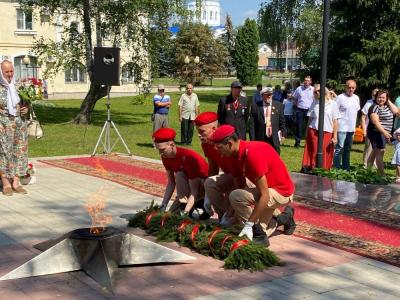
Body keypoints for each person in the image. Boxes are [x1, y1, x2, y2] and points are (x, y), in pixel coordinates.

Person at [210, 125, 296, 245]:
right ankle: (284, 218)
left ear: (229, 144)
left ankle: (260, 230)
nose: (219, 154)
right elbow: (239, 185)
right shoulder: (233, 155)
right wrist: (230, 214)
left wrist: (249, 224)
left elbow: (264, 195)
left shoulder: (252, 154)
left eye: (219, 148)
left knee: (237, 197)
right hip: (266, 191)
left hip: (282, 192)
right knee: (238, 198)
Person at [194, 112, 238, 224]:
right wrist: (208, 197)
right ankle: (224, 218)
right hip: (230, 176)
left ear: (214, 128)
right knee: (209, 183)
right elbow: (213, 169)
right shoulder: (206, 144)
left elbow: (240, 173)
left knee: (234, 197)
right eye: (198, 132)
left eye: (202, 131)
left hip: (244, 176)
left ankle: (280, 217)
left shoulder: (228, 142)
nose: (199, 135)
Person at [153, 127, 209, 215]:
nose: (160, 153)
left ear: (171, 145)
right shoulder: (166, 157)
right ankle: (184, 205)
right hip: (189, 187)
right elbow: (171, 183)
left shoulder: (188, 157)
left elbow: (194, 191)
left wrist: (185, 212)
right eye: (158, 150)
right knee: (171, 214)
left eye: (162, 150)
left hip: (203, 188)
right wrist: (163, 206)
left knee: (179, 175)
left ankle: (199, 204)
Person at [0, 60, 29, 196]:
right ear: (1, 72)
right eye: (6, 72)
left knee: (20, 152)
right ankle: (6, 184)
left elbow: (26, 103)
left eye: (11, 71)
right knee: (4, 153)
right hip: (3, 125)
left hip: (20, 125)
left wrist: (26, 108)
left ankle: (16, 183)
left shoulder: (19, 86)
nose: (10, 74)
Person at [301, 84, 340, 171]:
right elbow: (310, 119)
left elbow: (335, 121)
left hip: (327, 131)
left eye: (319, 91)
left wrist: (335, 136)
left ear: (325, 91)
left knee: (325, 151)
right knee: (314, 151)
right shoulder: (314, 103)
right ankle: (313, 169)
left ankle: (324, 170)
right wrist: (306, 132)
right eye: (315, 91)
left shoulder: (333, 104)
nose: (317, 93)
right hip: (313, 131)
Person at [367, 89, 399, 176]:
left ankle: (368, 170)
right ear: (376, 97)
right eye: (379, 97)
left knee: (375, 151)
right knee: (380, 151)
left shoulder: (386, 106)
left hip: (382, 132)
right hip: (376, 132)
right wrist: (384, 132)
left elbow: (397, 112)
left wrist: (387, 101)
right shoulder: (374, 107)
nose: (381, 99)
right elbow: (375, 122)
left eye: (383, 97)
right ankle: (381, 174)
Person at [249, 87, 286, 154]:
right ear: (262, 95)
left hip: (274, 136)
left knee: (275, 157)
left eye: (270, 94)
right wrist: (252, 140)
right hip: (260, 136)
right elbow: (252, 124)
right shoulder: (255, 106)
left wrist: (283, 133)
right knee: (261, 156)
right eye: (267, 95)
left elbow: (282, 121)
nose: (269, 96)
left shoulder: (279, 105)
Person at [333, 79, 360, 170]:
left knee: (347, 149)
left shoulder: (356, 98)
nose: (351, 89)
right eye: (349, 87)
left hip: (351, 128)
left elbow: (356, 112)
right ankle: (336, 167)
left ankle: (346, 167)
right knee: (339, 149)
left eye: (353, 88)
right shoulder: (340, 98)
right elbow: (334, 113)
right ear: (345, 87)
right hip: (341, 128)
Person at [292, 76, 314, 148]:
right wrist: (296, 105)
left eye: (307, 80)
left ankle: (308, 144)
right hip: (300, 110)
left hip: (309, 111)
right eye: (305, 80)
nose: (306, 82)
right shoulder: (299, 89)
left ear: (310, 82)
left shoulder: (313, 89)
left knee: (310, 127)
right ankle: (297, 143)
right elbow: (294, 98)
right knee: (298, 127)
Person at [360, 88, 379, 168]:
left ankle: (374, 165)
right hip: (369, 129)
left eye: (377, 94)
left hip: (379, 129)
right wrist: (364, 130)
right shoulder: (369, 103)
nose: (375, 96)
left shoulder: (381, 103)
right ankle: (366, 165)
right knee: (369, 148)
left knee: (377, 148)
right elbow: (363, 117)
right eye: (374, 95)